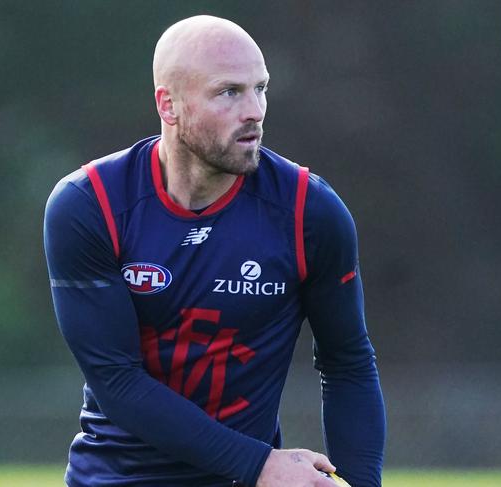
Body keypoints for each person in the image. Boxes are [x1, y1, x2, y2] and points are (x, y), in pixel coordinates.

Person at [44, 15, 385, 487]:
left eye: (260, 88)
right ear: (169, 105)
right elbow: (118, 382)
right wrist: (262, 464)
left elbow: (347, 362)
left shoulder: (311, 211)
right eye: (229, 92)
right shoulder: (90, 205)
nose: (255, 110)